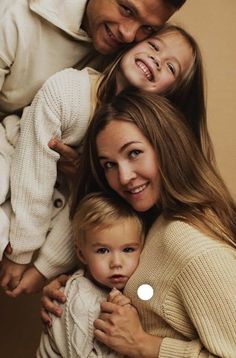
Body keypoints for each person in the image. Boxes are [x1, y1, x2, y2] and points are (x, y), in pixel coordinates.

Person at [0, 24, 210, 296]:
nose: (157, 59)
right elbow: (33, 169)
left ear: (172, 95)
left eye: (171, 68)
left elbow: (91, 210)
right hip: (12, 159)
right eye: (154, 46)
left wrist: (42, 269)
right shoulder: (69, 91)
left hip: (48, 210)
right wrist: (22, 251)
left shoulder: (136, 160)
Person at [42, 89, 236, 357]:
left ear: (168, 146)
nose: (123, 176)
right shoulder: (151, 217)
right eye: (109, 164)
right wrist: (77, 291)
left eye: (133, 153)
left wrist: (143, 345)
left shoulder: (190, 246)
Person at [0, 0, 185, 117]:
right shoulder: (12, 14)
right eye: (127, 10)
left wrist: (78, 172)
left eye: (148, 28)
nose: (128, 35)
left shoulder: (136, 58)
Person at [37, 191, 144, 357]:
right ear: (81, 254)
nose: (116, 262)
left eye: (128, 249)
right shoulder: (80, 302)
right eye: (102, 250)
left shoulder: (109, 288)